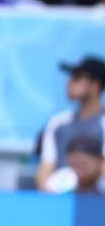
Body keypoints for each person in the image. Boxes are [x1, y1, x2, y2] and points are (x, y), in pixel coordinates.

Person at [36, 56, 105, 190]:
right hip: (62, 203)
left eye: (77, 77)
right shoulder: (57, 123)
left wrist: (88, 170)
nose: (69, 82)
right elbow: (44, 175)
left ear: (95, 86)